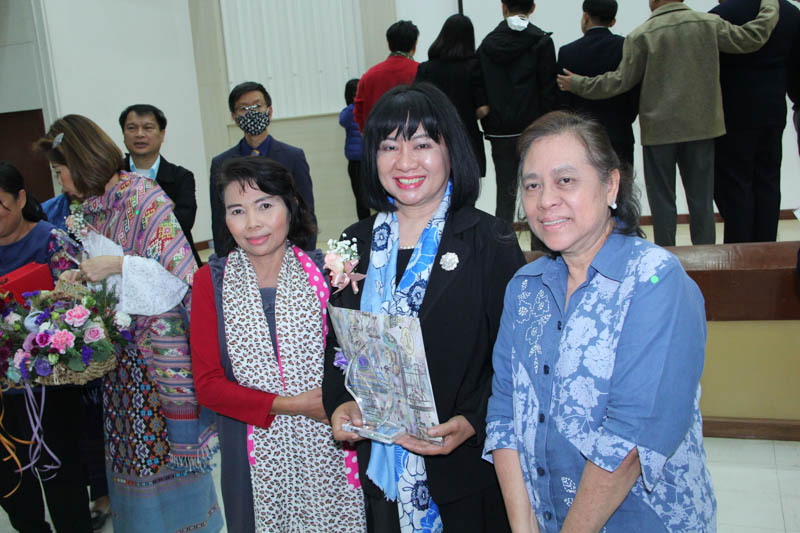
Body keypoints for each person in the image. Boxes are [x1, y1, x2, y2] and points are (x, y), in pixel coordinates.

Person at [484, 111, 716, 532]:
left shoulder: (654, 280)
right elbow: (504, 413)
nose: (545, 200)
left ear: (611, 185)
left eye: (565, 180)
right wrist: (523, 526)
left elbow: (629, 441)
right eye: (532, 185)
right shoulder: (524, 287)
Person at [323, 83, 524, 533]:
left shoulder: (489, 240)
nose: (405, 162)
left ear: (451, 150)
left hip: (468, 473)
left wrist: (472, 421)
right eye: (389, 146)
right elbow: (337, 345)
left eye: (422, 144)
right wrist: (340, 404)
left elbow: (515, 359)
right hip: (383, 472)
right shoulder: (352, 243)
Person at [34, 115, 222, 533]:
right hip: (121, 369)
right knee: (131, 463)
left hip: (157, 368)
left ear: (79, 162)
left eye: (60, 171)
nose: (60, 181)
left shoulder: (141, 197)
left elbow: (179, 275)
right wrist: (82, 277)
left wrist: (117, 265)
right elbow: (109, 286)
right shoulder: (91, 210)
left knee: (164, 461)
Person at [191, 157, 367, 532]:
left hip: (330, 442)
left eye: (265, 205)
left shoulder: (330, 272)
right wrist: (292, 405)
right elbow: (207, 386)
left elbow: (359, 359)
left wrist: (336, 399)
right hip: (248, 449)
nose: (252, 223)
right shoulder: (211, 281)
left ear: (290, 205)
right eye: (237, 211)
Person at [558, 0, 780, 247]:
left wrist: (578, 83)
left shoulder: (643, 34)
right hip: (701, 127)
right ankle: (704, 255)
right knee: (701, 201)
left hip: (659, 131)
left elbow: (618, 82)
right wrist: (770, 4)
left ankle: (666, 255)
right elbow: (752, 37)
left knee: (662, 202)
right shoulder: (708, 24)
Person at [0, 161, 92, 532]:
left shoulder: (52, 242)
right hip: (3, 396)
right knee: (12, 485)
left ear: (21, 198)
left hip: (50, 387)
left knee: (62, 478)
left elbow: (79, 308)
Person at [711, 0, 800, 243]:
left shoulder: (721, 14)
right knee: (769, 180)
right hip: (773, 109)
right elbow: (796, 68)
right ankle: (767, 245)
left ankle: (740, 247)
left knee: (735, 183)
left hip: (733, 110)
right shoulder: (790, 12)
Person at [210, 81, 316, 255]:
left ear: (270, 111)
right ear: (234, 117)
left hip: (289, 253)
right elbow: (219, 220)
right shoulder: (221, 163)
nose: (252, 113)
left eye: (257, 106)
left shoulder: (293, 157)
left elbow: (306, 212)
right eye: (244, 108)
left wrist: (306, 257)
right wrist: (224, 261)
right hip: (241, 256)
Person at [478, 0, 558, 222]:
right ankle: (541, 242)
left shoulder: (486, 45)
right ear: (532, 8)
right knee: (539, 190)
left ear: (503, 6)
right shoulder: (542, 42)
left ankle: (501, 241)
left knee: (505, 193)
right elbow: (548, 90)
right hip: (535, 131)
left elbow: (479, 86)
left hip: (499, 132)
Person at [557, 0, 638, 166]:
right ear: (613, 22)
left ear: (585, 17)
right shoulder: (626, 47)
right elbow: (634, 91)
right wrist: (624, 119)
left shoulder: (567, 52)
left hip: (582, 136)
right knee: (621, 180)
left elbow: (562, 100)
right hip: (619, 132)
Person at [120, 103, 203, 263]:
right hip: (124, 263)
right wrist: (162, 212)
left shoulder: (181, 177)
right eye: (132, 128)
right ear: (123, 134)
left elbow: (183, 223)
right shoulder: (113, 176)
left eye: (148, 128)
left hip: (175, 261)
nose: (140, 134)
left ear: (162, 134)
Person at [415, 14, 489, 177]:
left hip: (434, 136)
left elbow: (418, 104)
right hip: (467, 136)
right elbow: (483, 109)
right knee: (466, 184)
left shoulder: (426, 69)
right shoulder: (474, 67)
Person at [354, 20, 419, 132]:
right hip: (414, 135)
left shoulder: (369, 75)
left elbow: (358, 112)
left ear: (388, 44)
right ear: (414, 45)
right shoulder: (422, 72)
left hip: (378, 137)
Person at [340, 78, 370, 220]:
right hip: (357, 161)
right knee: (361, 198)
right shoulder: (350, 111)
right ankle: (365, 226)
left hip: (368, 160)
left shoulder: (368, 107)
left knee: (367, 197)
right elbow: (343, 120)